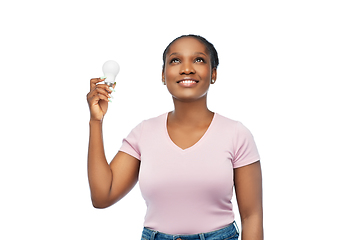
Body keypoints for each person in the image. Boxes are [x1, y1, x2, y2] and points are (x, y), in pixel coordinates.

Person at [86, 34, 263, 240]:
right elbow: (102, 196)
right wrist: (95, 121)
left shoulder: (237, 134)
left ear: (213, 74)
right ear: (163, 75)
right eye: (175, 60)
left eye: (198, 60)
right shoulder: (144, 133)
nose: (186, 68)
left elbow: (252, 217)